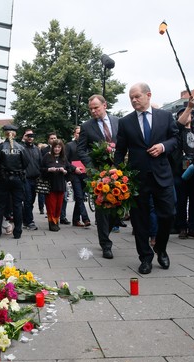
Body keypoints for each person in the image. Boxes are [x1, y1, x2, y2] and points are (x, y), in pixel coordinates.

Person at [114, 83, 179, 274]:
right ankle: (145, 257)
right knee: (139, 220)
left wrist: (163, 146)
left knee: (168, 215)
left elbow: (176, 139)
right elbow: (120, 150)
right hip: (137, 178)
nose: (134, 100)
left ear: (148, 95)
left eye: (137, 96)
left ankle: (161, 248)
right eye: (131, 98)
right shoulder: (126, 122)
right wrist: (116, 174)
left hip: (162, 175)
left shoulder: (165, 116)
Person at [78, 94, 120, 258]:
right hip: (98, 173)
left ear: (105, 105)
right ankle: (105, 244)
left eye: (96, 107)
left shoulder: (118, 122)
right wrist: (91, 166)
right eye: (91, 109)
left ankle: (108, 230)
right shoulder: (87, 126)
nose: (93, 111)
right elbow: (81, 149)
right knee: (102, 209)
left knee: (117, 210)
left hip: (118, 171)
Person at [173, 97, 194, 241]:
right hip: (181, 171)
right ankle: (182, 227)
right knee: (181, 200)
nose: (188, 117)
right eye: (184, 114)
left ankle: (193, 227)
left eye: (189, 114)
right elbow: (178, 126)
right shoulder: (177, 131)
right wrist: (188, 107)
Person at [0, 125, 28, 239]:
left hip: (3, 179)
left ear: (5, 134)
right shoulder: (21, 148)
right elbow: (26, 163)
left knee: (0, 206)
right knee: (17, 206)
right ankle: (17, 233)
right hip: (17, 179)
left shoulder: (0, 147)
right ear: (14, 134)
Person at [41, 139, 79, 231]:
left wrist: (64, 171)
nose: (57, 149)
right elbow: (41, 169)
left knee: (59, 206)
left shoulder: (63, 158)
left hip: (61, 185)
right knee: (51, 205)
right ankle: (52, 222)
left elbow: (69, 169)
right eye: (55, 147)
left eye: (59, 147)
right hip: (50, 185)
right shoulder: (47, 156)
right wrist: (49, 170)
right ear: (52, 148)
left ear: (62, 148)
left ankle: (56, 221)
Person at [65, 126, 91, 228]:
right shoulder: (69, 145)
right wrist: (73, 168)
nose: (79, 135)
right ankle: (85, 218)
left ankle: (75, 220)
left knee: (81, 197)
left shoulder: (87, 146)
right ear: (74, 134)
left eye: (81, 133)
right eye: (77, 133)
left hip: (85, 174)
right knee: (79, 196)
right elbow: (65, 161)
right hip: (74, 174)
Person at [21, 129, 42, 230]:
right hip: (26, 178)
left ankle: (25, 219)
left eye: (32, 135)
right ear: (25, 136)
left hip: (35, 178)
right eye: (28, 135)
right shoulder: (21, 148)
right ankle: (29, 221)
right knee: (28, 200)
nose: (30, 137)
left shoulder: (37, 149)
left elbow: (40, 163)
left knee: (31, 200)